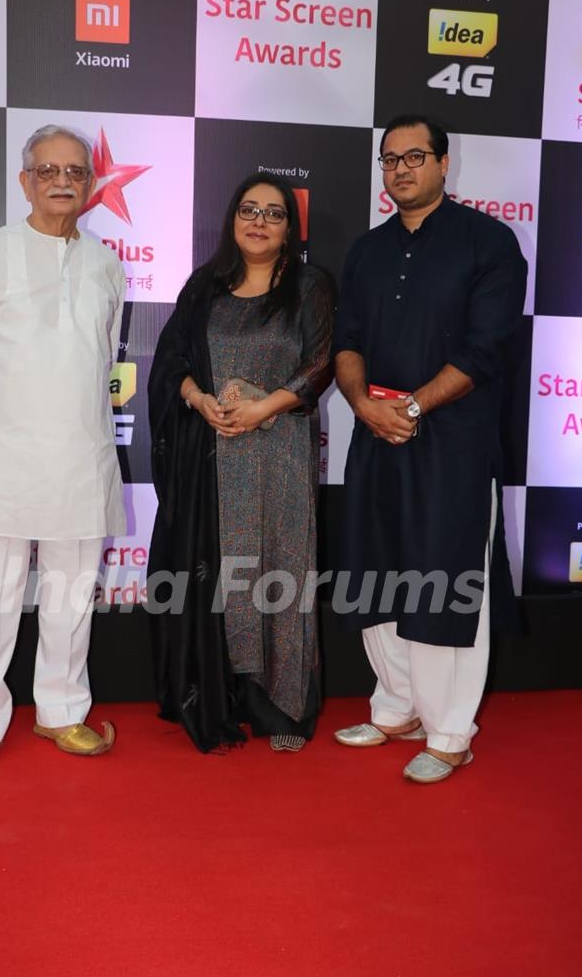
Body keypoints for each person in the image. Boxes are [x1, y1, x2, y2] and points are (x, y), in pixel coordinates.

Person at [0, 124, 125, 775]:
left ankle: (62, 712)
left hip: (78, 457)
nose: (62, 181)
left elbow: (102, 355)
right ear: (25, 180)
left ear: (90, 184)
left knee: (70, 595)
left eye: (74, 170)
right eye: (47, 170)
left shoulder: (105, 263)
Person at [332, 115, 527, 783]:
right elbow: (346, 340)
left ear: (444, 163)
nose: (401, 170)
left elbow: (486, 349)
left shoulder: (489, 243)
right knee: (376, 569)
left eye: (415, 157)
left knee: (445, 580)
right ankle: (397, 709)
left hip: (454, 442)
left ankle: (449, 733)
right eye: (390, 159)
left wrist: (410, 407)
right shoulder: (366, 250)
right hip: (374, 430)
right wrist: (365, 407)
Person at [148, 171, 334, 753]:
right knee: (221, 572)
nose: (259, 221)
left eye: (273, 213)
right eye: (248, 209)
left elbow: (320, 362)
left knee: (280, 568)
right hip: (212, 455)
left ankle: (278, 704)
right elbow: (172, 362)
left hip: (278, 450)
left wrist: (263, 408)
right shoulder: (204, 287)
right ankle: (217, 691)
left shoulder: (308, 285)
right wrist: (199, 400)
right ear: (232, 219)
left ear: (289, 227)